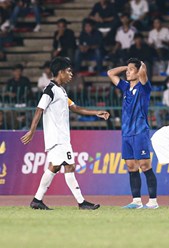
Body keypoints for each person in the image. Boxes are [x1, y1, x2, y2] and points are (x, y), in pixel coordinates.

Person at [20, 57, 110, 210]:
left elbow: (75, 108)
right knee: (69, 166)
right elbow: (39, 109)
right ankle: (82, 203)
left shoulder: (61, 91)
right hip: (58, 138)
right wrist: (32, 130)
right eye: (68, 71)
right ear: (60, 72)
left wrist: (96, 113)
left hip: (60, 138)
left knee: (54, 167)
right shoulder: (50, 90)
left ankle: (37, 200)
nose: (71, 74)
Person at [107, 58, 158, 209]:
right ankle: (136, 201)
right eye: (127, 70)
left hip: (140, 132)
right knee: (131, 166)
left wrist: (141, 66)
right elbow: (110, 73)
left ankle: (153, 202)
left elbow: (143, 73)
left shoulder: (144, 87)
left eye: (131, 70)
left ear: (138, 71)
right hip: (126, 133)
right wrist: (127, 66)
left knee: (144, 165)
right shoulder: (125, 87)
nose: (127, 72)